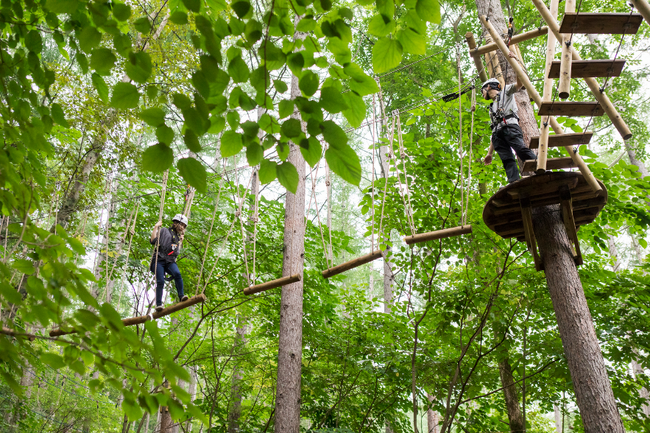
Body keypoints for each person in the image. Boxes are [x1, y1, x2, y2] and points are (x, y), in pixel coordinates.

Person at [482, 55, 537, 184]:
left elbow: (519, 83)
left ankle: (539, 168)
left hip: (510, 127)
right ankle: (514, 181)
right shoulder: (491, 107)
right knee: (507, 159)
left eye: (482, 90)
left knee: (520, 150)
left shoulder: (505, 92)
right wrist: (490, 153)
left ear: (489, 87)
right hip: (498, 135)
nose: (482, 94)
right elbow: (494, 130)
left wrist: (514, 63)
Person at [150, 214, 189, 312]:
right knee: (160, 281)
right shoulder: (164, 230)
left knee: (177, 274)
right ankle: (159, 304)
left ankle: (181, 296)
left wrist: (180, 243)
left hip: (169, 260)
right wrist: (155, 227)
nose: (182, 227)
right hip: (159, 259)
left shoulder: (177, 237)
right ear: (175, 223)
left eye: (184, 226)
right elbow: (153, 241)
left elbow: (175, 253)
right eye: (181, 225)